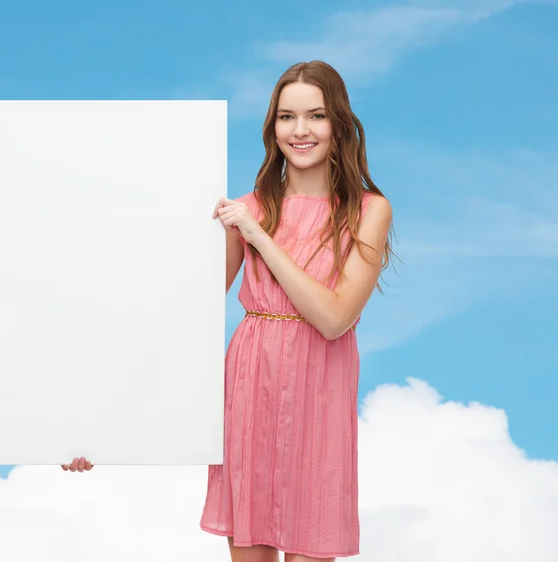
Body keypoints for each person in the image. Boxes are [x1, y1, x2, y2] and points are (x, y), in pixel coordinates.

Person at [63, 60, 394, 562]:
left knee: (313, 542)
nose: (300, 130)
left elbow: (334, 318)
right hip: (249, 385)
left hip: (320, 391)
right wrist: (96, 427)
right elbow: (176, 325)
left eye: (316, 116)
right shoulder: (247, 206)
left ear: (340, 124)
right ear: (272, 127)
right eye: (286, 117)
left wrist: (258, 233)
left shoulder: (367, 211)